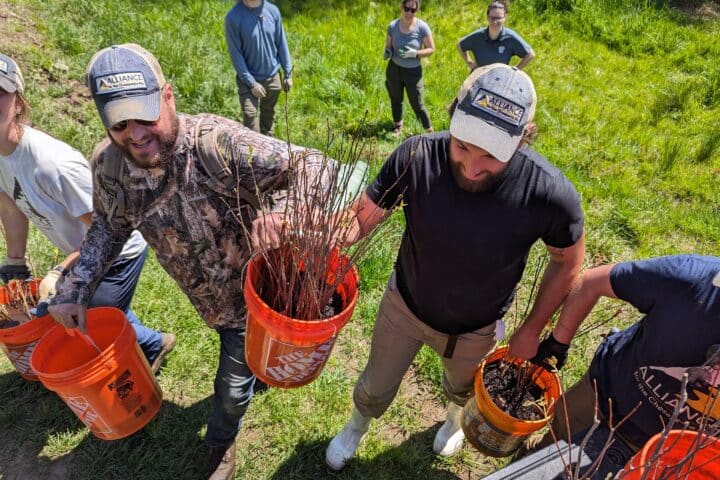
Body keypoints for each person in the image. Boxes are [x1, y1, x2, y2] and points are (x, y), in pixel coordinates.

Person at [47, 44, 333, 480]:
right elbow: (109, 226)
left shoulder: (215, 144)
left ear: (169, 97)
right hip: (209, 301)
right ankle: (255, 372)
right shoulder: (110, 166)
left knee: (232, 388)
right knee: (246, 364)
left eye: (145, 115)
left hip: (259, 296)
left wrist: (282, 213)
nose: (136, 133)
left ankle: (220, 441)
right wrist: (75, 287)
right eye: (120, 124)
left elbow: (316, 164)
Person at [324, 63, 585, 471]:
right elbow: (361, 217)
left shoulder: (548, 193)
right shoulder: (417, 156)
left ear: (522, 140)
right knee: (375, 384)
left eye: (491, 155)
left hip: (478, 326)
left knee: (463, 388)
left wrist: (532, 328)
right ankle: (357, 425)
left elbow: (568, 261)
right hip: (405, 306)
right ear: (452, 118)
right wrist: (321, 230)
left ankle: (452, 421)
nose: (472, 166)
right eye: (462, 146)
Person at [0, 53, 174, 373]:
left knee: (81, 312)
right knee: (90, 303)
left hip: (117, 249)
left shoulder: (50, 165)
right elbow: (9, 203)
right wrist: (15, 259)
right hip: (82, 250)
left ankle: (150, 345)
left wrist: (61, 273)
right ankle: (137, 330)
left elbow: (108, 229)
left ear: (19, 103)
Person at [528, 254, 720, 454]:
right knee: (544, 454)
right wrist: (557, 344)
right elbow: (591, 282)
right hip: (601, 400)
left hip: (666, 453)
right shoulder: (691, 278)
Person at [225, 0, 293, 136]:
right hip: (248, 80)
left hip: (272, 77)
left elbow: (281, 43)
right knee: (250, 122)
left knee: (268, 121)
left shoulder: (273, 11)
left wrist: (288, 73)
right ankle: (251, 154)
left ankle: (269, 153)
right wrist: (252, 83)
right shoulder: (233, 17)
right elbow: (236, 55)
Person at [383, 0, 435, 136]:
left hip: (413, 72)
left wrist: (416, 53)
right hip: (394, 69)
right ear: (401, 7)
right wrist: (387, 52)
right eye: (406, 8)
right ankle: (398, 126)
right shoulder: (393, 26)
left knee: (417, 103)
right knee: (395, 99)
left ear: (417, 11)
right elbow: (388, 46)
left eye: (413, 10)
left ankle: (429, 131)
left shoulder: (422, 27)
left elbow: (431, 49)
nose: (409, 13)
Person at [457, 1, 535, 71]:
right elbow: (460, 45)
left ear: (505, 17)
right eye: (492, 18)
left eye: (499, 18)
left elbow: (530, 54)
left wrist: (516, 69)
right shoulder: (478, 36)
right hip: (478, 79)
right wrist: (469, 62)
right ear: (487, 17)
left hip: (499, 81)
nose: (495, 22)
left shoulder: (510, 38)